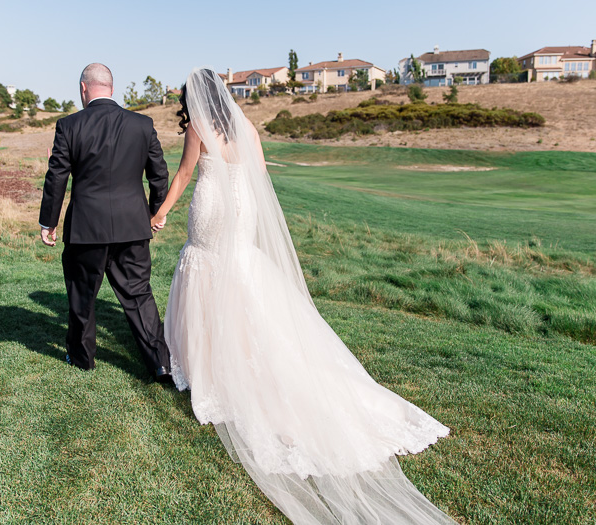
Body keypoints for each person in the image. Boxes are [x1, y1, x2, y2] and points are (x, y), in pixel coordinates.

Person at [150, 67, 457, 524]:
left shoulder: (198, 128)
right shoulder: (246, 126)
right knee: (237, 270)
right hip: (242, 208)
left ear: (197, 99)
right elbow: (260, 175)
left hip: (212, 202)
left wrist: (160, 214)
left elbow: (185, 175)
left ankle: (208, 367)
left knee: (203, 264)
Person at [39, 62, 172, 383]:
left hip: (86, 228)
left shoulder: (68, 126)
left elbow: (56, 176)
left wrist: (49, 222)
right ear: (111, 88)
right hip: (132, 225)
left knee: (82, 295)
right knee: (139, 294)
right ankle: (161, 363)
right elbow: (159, 173)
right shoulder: (142, 124)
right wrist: (157, 212)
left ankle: (83, 359)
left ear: (84, 88)